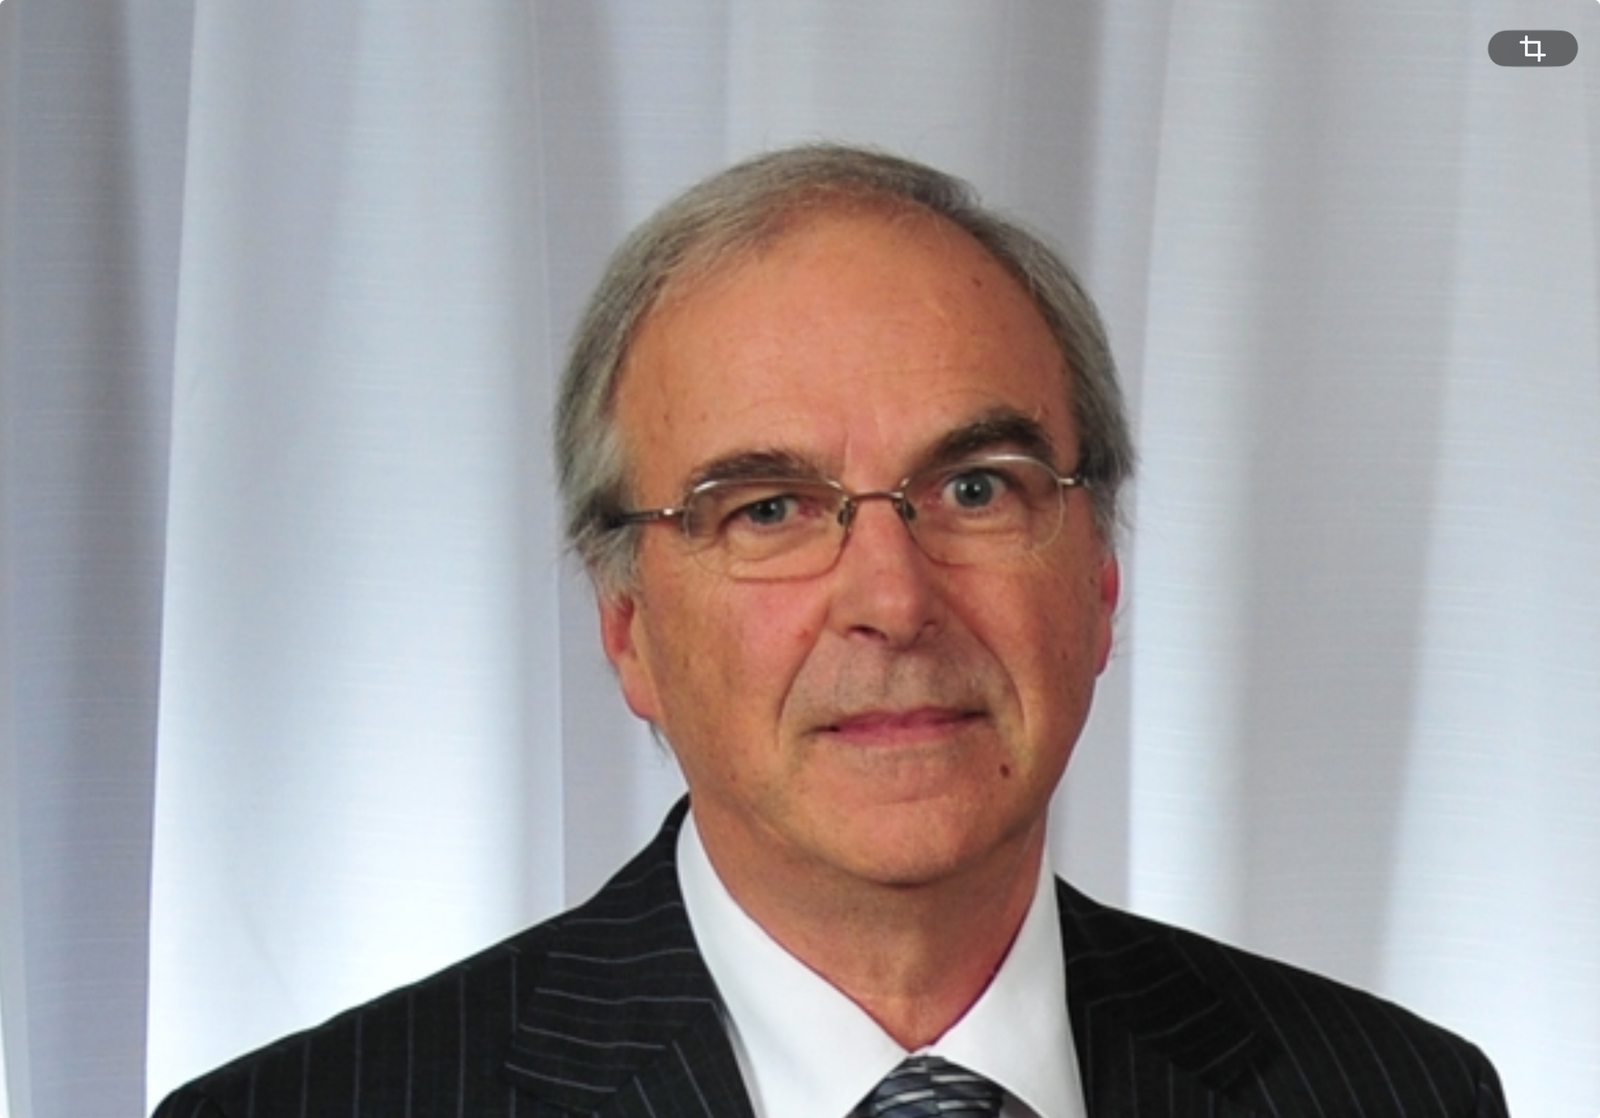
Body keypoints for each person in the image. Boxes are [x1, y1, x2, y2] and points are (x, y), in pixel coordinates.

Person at [153, 144, 1508, 1117]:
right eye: (769, 510)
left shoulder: (1398, 1091)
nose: (895, 600)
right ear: (627, 626)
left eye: (976, 489)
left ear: (1100, 580)